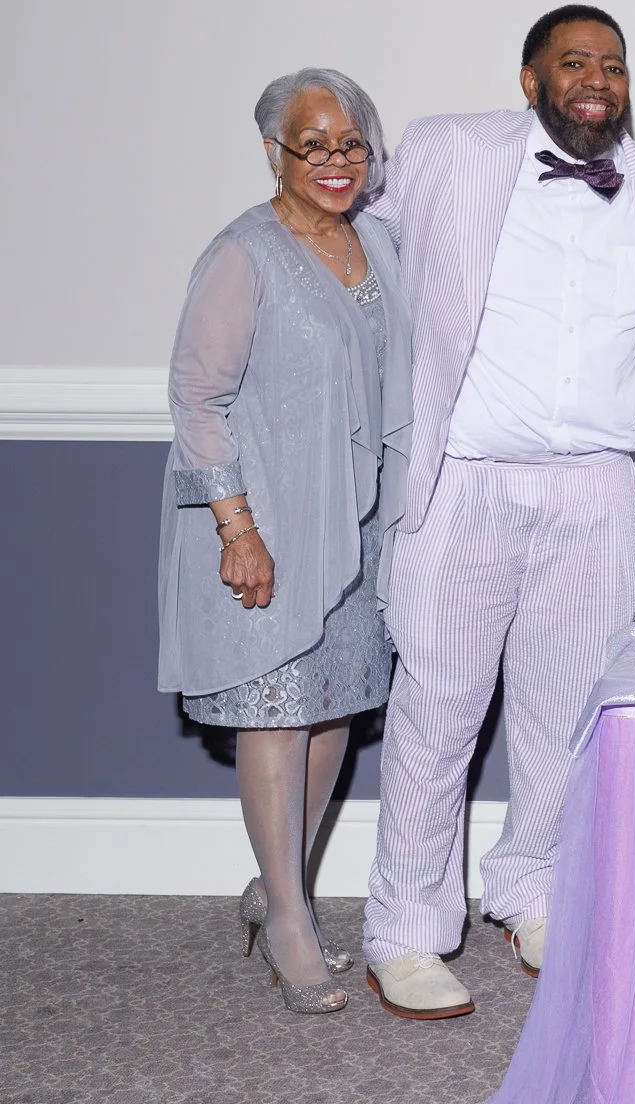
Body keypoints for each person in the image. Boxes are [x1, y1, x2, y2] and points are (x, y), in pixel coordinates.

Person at [361, 5, 635, 1020]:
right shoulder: (448, 152)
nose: (596, 80)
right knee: (438, 711)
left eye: (614, 65)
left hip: (596, 487)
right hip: (466, 477)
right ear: (530, 79)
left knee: (563, 717)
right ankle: (406, 930)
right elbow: (356, 242)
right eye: (574, 62)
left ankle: (534, 892)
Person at [157, 68, 411, 1014]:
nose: (336, 162)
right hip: (265, 520)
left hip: (359, 521)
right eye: (314, 145)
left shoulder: (376, 242)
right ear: (275, 152)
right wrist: (237, 528)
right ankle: (291, 925)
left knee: (333, 705)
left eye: (352, 144)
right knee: (276, 712)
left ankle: (280, 892)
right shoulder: (244, 253)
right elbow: (197, 398)